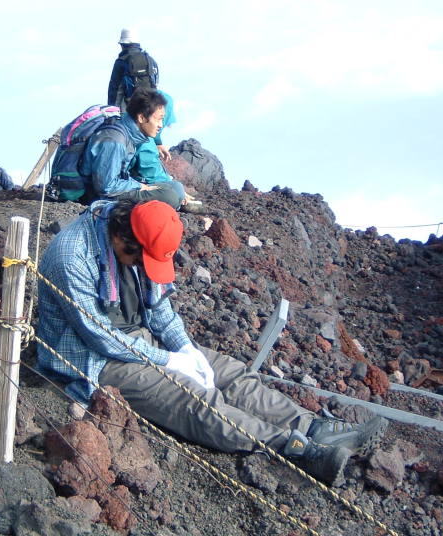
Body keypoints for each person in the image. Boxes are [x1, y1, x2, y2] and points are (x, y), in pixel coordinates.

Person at [36, 199, 389, 487]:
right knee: (195, 398)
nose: (144, 270)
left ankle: (312, 426)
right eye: (140, 262)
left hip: (140, 338)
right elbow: (99, 334)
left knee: (229, 373)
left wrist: (185, 350)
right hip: (95, 358)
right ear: (120, 239)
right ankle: (296, 449)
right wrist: (168, 361)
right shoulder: (72, 255)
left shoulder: (144, 234)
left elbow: (159, 309)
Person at [81, 88, 185, 210]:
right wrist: (138, 186)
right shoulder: (115, 140)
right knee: (170, 197)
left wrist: (139, 186)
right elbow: (106, 186)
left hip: (117, 187)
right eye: (158, 119)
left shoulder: (130, 134)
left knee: (176, 188)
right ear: (141, 118)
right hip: (99, 196)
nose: (161, 125)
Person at [107, 28, 159, 112]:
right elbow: (155, 83)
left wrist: (111, 113)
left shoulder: (121, 62)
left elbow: (115, 90)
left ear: (123, 44)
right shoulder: (151, 60)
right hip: (150, 109)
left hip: (130, 112)